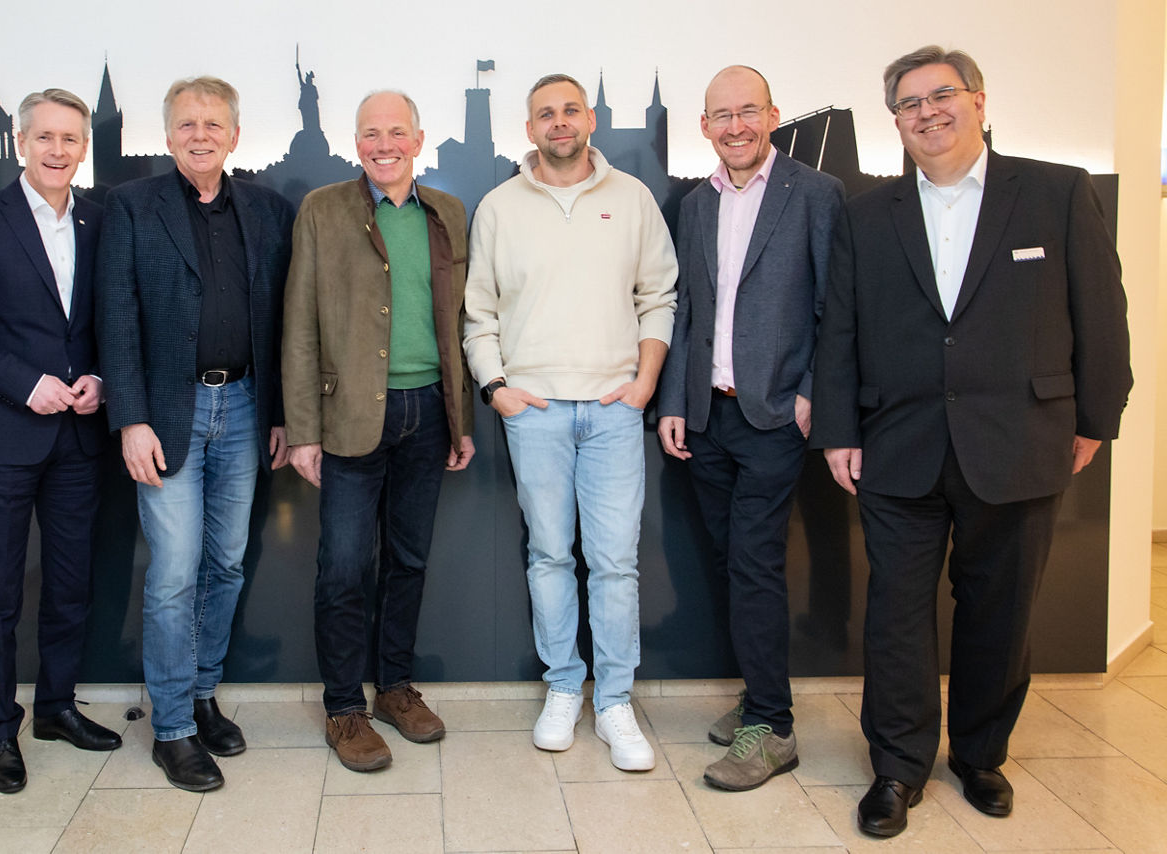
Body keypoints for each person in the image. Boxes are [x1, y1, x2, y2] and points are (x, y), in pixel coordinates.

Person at [811, 45, 1132, 837]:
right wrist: (839, 432)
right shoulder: (865, 213)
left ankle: (982, 754)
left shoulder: (1056, 191)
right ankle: (897, 766)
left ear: (979, 101)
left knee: (1001, 609)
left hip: (1022, 441)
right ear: (896, 121)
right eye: (909, 103)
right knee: (896, 615)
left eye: (941, 95)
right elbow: (840, 331)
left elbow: (1102, 312)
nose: (926, 112)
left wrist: (1096, 418)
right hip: (897, 445)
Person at [463, 73, 677, 772]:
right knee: (550, 555)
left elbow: (660, 296)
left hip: (615, 411)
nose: (559, 123)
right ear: (528, 129)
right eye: (545, 114)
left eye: (570, 110)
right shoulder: (498, 207)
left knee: (615, 564)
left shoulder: (633, 199)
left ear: (590, 120)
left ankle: (614, 702)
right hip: (537, 412)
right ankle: (564, 687)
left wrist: (644, 383)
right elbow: (479, 313)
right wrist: (498, 390)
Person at [96, 76, 293, 792]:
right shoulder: (132, 207)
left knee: (228, 564)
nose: (200, 134)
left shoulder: (267, 210)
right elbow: (115, 316)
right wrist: (131, 420)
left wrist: (279, 413)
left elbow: (280, 321)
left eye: (213, 124)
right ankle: (172, 728)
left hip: (242, 406)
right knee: (174, 574)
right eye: (187, 124)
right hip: (167, 414)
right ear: (169, 133)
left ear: (235, 135)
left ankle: (202, 693)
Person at [657, 65, 844, 791]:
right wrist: (674, 401)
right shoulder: (696, 206)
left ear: (771, 115)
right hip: (707, 417)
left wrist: (809, 396)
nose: (734, 126)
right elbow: (683, 313)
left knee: (756, 565)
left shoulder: (816, 194)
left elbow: (837, 307)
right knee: (736, 562)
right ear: (703, 127)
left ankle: (774, 728)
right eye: (720, 115)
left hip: (774, 418)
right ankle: (762, 699)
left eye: (747, 111)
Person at [0, 88, 122, 794]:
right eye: (45, 137)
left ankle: (56, 710)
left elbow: (108, 320)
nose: (58, 150)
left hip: (78, 435)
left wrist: (101, 376)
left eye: (71, 138)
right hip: (2, 434)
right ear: (20, 141)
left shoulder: (103, 222)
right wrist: (25, 382)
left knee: (70, 587)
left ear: (84, 147)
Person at [282, 90, 475, 773]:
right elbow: (299, 322)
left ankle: (394, 687)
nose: (383, 144)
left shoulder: (447, 213)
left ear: (419, 140)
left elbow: (459, 326)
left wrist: (462, 419)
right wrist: (302, 429)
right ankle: (344, 707)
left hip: (428, 414)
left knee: (409, 560)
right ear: (355, 141)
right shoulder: (323, 209)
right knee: (341, 568)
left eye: (397, 132)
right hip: (348, 419)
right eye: (371, 133)